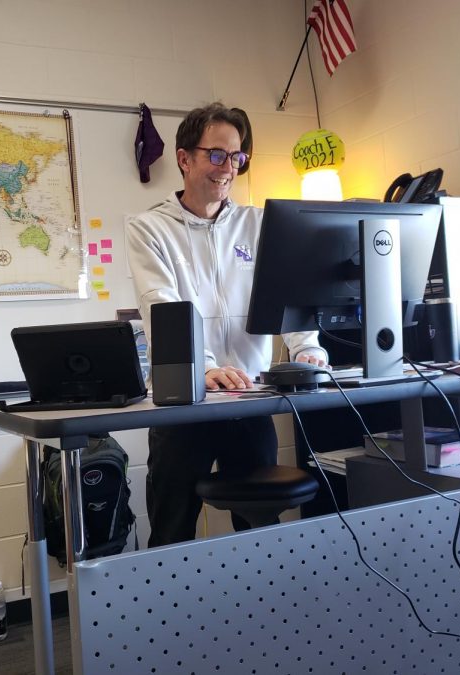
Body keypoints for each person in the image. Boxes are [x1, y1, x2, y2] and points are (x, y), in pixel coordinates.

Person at [125, 102, 328, 547]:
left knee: (258, 530)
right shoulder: (150, 228)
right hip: (184, 404)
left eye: (237, 157)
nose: (229, 168)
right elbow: (161, 305)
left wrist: (307, 350)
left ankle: (260, 614)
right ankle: (167, 616)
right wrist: (206, 365)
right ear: (184, 159)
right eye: (217, 155)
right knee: (172, 528)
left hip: (249, 401)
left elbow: (287, 296)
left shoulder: (259, 224)